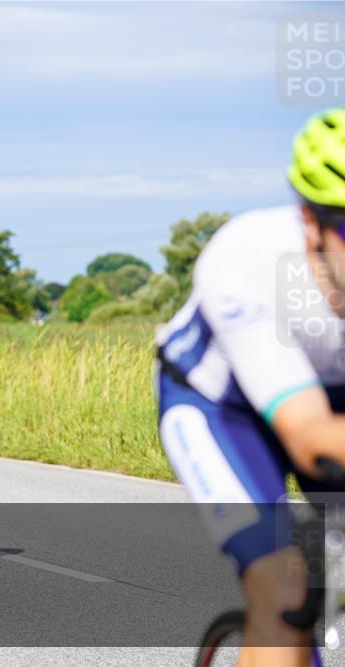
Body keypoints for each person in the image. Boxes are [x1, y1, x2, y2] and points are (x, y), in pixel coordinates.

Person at [157, 108, 345, 666]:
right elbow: (307, 434)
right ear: (310, 222)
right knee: (284, 589)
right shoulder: (246, 259)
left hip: (332, 405)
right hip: (220, 409)